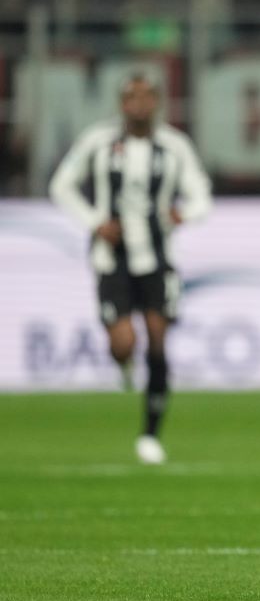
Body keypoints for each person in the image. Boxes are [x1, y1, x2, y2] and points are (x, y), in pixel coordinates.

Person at [49, 71, 212, 465]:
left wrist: (183, 213)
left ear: (156, 102)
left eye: (147, 97)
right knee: (124, 342)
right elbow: (61, 185)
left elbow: (201, 194)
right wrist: (94, 221)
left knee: (158, 338)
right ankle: (123, 365)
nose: (139, 104)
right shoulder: (98, 141)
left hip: (158, 258)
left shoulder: (174, 146)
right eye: (132, 97)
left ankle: (150, 434)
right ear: (122, 103)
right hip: (113, 258)